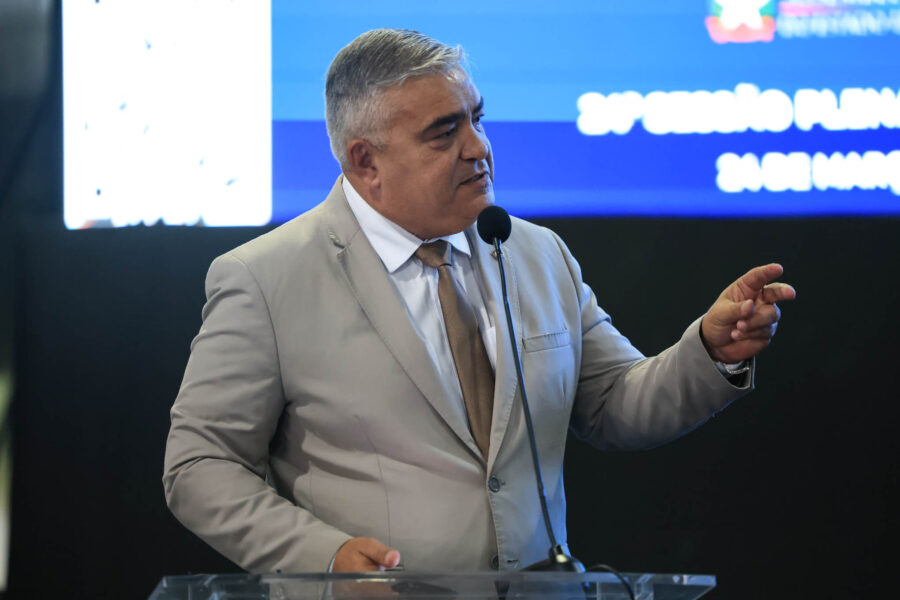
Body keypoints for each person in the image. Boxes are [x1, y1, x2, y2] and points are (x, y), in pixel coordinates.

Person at [163, 29, 795, 574]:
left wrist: (709, 352)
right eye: (444, 133)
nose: (479, 147)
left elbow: (614, 403)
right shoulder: (266, 279)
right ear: (365, 162)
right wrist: (322, 556)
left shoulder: (535, 253)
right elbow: (199, 464)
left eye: (477, 118)